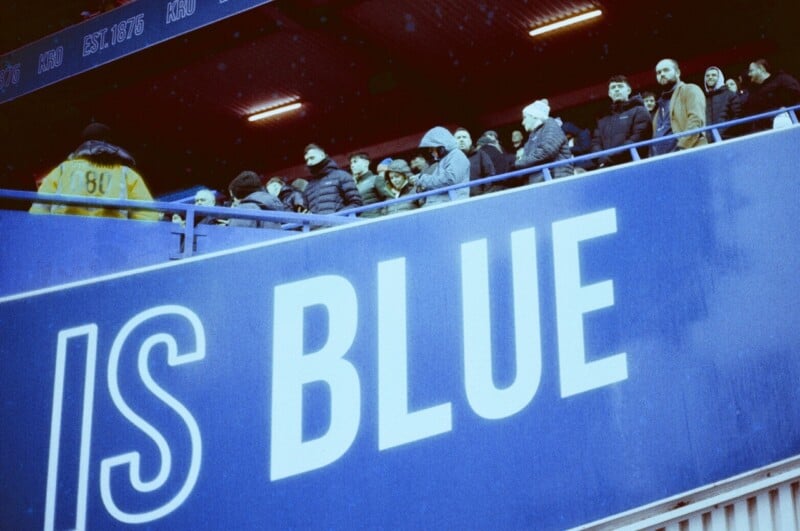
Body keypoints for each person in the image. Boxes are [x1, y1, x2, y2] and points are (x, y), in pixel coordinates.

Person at [29, 122, 158, 220]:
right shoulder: (126, 173)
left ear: (83, 144)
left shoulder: (63, 170)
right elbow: (147, 217)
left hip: (66, 237)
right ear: (109, 143)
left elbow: (38, 212)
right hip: (110, 241)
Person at [591, 75, 652, 168]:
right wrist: (601, 159)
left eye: (620, 86)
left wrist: (609, 158)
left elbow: (637, 138)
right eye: (613, 87)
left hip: (634, 165)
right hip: (608, 169)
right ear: (609, 93)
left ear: (629, 90)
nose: (616, 89)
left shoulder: (640, 111)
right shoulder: (603, 120)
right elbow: (595, 144)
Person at [650, 58, 707, 156]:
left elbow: (696, 120)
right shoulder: (660, 104)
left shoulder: (690, 90)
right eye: (658, 72)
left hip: (686, 154)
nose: (662, 74)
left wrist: (682, 148)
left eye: (666, 70)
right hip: (663, 160)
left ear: (677, 73)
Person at [515, 99, 573, 182]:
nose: (523, 122)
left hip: (556, 178)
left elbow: (546, 151)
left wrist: (520, 162)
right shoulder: (533, 135)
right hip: (541, 180)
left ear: (534, 116)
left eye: (525, 118)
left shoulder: (551, 125)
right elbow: (527, 155)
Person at [416, 126, 470, 205]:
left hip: (452, 205)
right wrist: (422, 188)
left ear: (441, 146)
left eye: (432, 149)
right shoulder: (443, 160)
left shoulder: (456, 155)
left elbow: (450, 180)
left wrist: (422, 179)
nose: (431, 152)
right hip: (441, 205)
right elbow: (437, 183)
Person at [302, 144, 363, 214]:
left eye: (312, 158)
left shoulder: (341, 176)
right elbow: (306, 212)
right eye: (307, 160)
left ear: (323, 155)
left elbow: (357, 203)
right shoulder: (308, 188)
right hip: (317, 225)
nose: (309, 162)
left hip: (341, 224)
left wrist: (337, 217)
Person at [745, 59, 800, 131]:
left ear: (761, 68)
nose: (749, 74)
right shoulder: (753, 92)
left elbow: (797, 94)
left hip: (788, 120)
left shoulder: (782, 79)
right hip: (765, 129)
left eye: (751, 70)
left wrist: (786, 109)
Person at [703, 66, 741, 141]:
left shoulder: (730, 95)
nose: (710, 77)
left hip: (727, 138)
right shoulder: (703, 98)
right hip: (707, 141)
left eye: (714, 75)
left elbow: (737, 116)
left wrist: (722, 132)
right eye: (707, 76)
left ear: (720, 78)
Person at [454, 127, 495, 197]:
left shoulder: (480, 155)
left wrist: (484, 194)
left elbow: (489, 174)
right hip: (458, 200)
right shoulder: (449, 160)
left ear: (470, 141)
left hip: (478, 197)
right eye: (458, 138)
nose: (461, 140)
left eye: (464, 137)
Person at [348, 152, 381, 217]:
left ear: (366, 163)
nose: (352, 165)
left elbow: (388, 199)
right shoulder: (354, 185)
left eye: (355, 161)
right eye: (351, 163)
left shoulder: (376, 179)